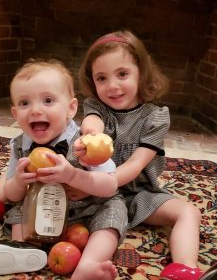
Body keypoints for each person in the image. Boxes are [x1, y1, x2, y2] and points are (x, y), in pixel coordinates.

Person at [74, 30, 203, 280]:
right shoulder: (96, 107)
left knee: (189, 211)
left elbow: (136, 164)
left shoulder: (155, 116)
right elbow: (93, 123)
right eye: (101, 78)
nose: (112, 86)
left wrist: (97, 185)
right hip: (99, 195)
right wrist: (90, 136)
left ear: (141, 73)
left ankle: (184, 268)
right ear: (93, 82)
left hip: (139, 194)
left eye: (122, 74)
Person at [0, 59, 128, 280]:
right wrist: (18, 181)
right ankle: (23, 249)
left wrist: (72, 175)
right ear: (15, 114)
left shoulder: (86, 142)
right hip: (41, 212)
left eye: (47, 100)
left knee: (111, 218)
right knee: (17, 213)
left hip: (87, 210)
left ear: (71, 108)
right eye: (25, 103)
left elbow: (109, 186)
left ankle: (89, 264)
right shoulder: (19, 145)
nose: (35, 110)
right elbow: (12, 194)